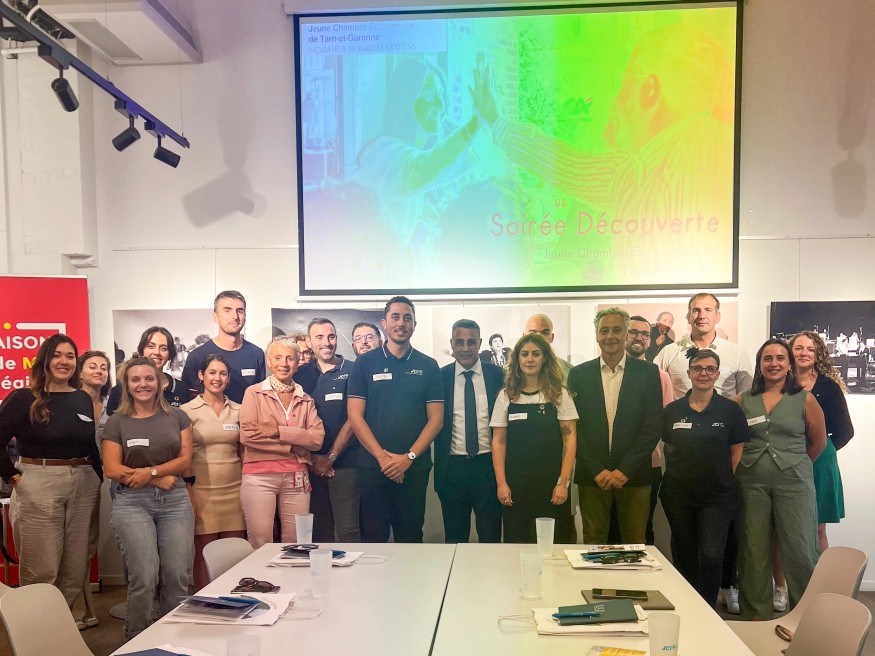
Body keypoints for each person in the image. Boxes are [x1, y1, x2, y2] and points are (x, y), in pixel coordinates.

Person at [653, 292, 753, 613]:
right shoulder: (670, 363)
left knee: (713, 552)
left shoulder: (731, 398)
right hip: (680, 488)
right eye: (697, 368)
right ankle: (687, 608)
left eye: (708, 309)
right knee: (684, 552)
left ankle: (709, 607)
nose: (704, 373)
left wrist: (720, 475)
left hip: (717, 488)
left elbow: (736, 449)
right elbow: (667, 442)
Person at [0, 334, 101, 607]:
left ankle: (60, 625)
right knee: (41, 570)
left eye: (70, 356)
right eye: (57, 355)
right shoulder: (23, 398)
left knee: (75, 570)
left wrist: (97, 479)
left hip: (83, 483)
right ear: (44, 359)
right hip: (38, 483)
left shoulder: (81, 398)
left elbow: (89, 444)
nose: (64, 361)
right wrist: (14, 478)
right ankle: (37, 628)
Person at [102, 356, 195, 639]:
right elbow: (112, 469)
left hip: (175, 501)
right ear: (127, 385)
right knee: (144, 575)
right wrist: (156, 478)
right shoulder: (117, 422)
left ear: (159, 383)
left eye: (149, 378)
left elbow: (185, 461)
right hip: (132, 502)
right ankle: (138, 639)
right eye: (136, 379)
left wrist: (151, 472)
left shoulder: (178, 417)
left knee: (177, 576)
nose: (143, 384)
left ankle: (173, 638)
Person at [735, 339, 826, 620]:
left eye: (780, 358)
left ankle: (806, 617)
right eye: (767, 358)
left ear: (789, 364)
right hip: (751, 483)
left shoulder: (805, 399)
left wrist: (793, 463)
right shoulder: (742, 399)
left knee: (801, 549)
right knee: (753, 550)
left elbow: (818, 443)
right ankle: (756, 616)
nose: (773, 363)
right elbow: (734, 441)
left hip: (795, 484)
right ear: (759, 365)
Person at [348, 296, 444, 543]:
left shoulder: (429, 366)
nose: (401, 323)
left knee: (411, 538)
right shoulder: (364, 363)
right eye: (395, 317)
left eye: (407, 318)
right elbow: (355, 416)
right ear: (384, 323)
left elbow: (436, 420)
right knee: (373, 539)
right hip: (372, 466)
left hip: (414, 468)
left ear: (414, 324)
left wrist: (408, 458)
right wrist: (383, 458)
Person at [770, 331, 854, 610]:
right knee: (780, 528)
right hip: (784, 460)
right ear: (790, 352)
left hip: (820, 463)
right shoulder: (779, 384)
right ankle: (781, 588)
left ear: (818, 354)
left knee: (818, 529)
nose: (804, 353)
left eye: (810, 349)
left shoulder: (828, 387)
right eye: (798, 348)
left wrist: (820, 451)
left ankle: (819, 590)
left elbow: (845, 431)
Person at [567, 308, 662, 544]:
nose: (610, 336)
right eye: (604, 330)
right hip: (592, 476)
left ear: (626, 333)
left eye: (617, 330)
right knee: (593, 543)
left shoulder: (648, 373)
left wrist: (625, 470)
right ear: (597, 335)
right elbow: (574, 428)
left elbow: (652, 426)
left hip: (634, 475)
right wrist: (596, 469)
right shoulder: (578, 374)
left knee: (634, 544)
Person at [490, 334, 577, 543]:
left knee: (552, 547)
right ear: (517, 359)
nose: (530, 359)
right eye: (525, 354)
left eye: (536, 354)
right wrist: (501, 484)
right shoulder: (506, 396)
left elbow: (570, 441)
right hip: (516, 487)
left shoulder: (559, 394)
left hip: (552, 486)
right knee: (516, 545)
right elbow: (498, 442)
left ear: (544, 358)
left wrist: (563, 484)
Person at [239, 337, 324, 549]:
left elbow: (317, 439)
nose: (283, 364)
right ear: (269, 361)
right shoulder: (254, 393)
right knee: (260, 541)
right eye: (277, 358)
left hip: (297, 477)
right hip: (259, 477)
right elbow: (248, 436)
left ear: (297, 363)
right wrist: (294, 446)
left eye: (289, 358)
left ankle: (292, 574)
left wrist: (278, 431)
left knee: (297, 543)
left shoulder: (305, 398)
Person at [435, 319, 504, 543]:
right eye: (460, 342)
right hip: (452, 470)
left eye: (471, 342)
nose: (465, 348)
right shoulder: (439, 378)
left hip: (488, 467)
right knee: (455, 540)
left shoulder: (498, 375)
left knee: (491, 538)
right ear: (452, 344)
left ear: (480, 343)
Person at [181, 354, 246, 590]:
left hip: (235, 491)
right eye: (212, 372)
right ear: (201, 376)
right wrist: (189, 493)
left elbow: (243, 452)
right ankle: (204, 601)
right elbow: (184, 457)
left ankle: (234, 601)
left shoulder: (239, 410)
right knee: (203, 553)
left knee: (235, 554)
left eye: (223, 373)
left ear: (229, 379)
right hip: (201, 492)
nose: (217, 378)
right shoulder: (187, 411)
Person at [293, 318, 360, 542]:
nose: (326, 342)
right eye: (319, 337)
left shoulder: (353, 370)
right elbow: (293, 421)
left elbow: (355, 418)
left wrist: (330, 457)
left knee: (348, 532)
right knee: (318, 534)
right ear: (309, 341)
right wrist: (313, 459)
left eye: (331, 336)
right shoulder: (299, 375)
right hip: (309, 467)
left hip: (345, 465)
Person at [523, 312, 575, 543]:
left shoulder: (570, 372)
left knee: (562, 528)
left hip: (560, 459)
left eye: (544, 333)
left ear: (552, 337)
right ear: (524, 336)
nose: (539, 337)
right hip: (524, 465)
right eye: (533, 333)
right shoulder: (512, 373)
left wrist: (564, 479)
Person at [624, 315, 674, 545]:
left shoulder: (660, 375)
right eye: (633, 332)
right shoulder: (606, 373)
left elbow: (662, 421)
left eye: (645, 334)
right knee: (612, 531)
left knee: (643, 530)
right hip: (610, 464)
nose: (639, 338)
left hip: (648, 464)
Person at [73, 349, 112, 630]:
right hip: (72, 474)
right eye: (92, 366)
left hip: (97, 479)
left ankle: (85, 608)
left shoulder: (111, 404)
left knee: (87, 545)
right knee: (71, 547)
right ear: (80, 371)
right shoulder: (69, 400)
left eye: (103, 367)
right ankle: (72, 611)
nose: (99, 371)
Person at [181, 290, 266, 403]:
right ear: (216, 317)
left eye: (239, 311)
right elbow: (187, 400)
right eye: (227, 310)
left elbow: (260, 399)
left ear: (245, 316)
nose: (235, 316)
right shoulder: (197, 356)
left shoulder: (256, 354)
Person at [106, 326, 191, 414]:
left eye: (163, 349)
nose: (157, 352)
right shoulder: (121, 389)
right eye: (151, 346)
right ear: (142, 350)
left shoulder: (181, 388)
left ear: (170, 354)